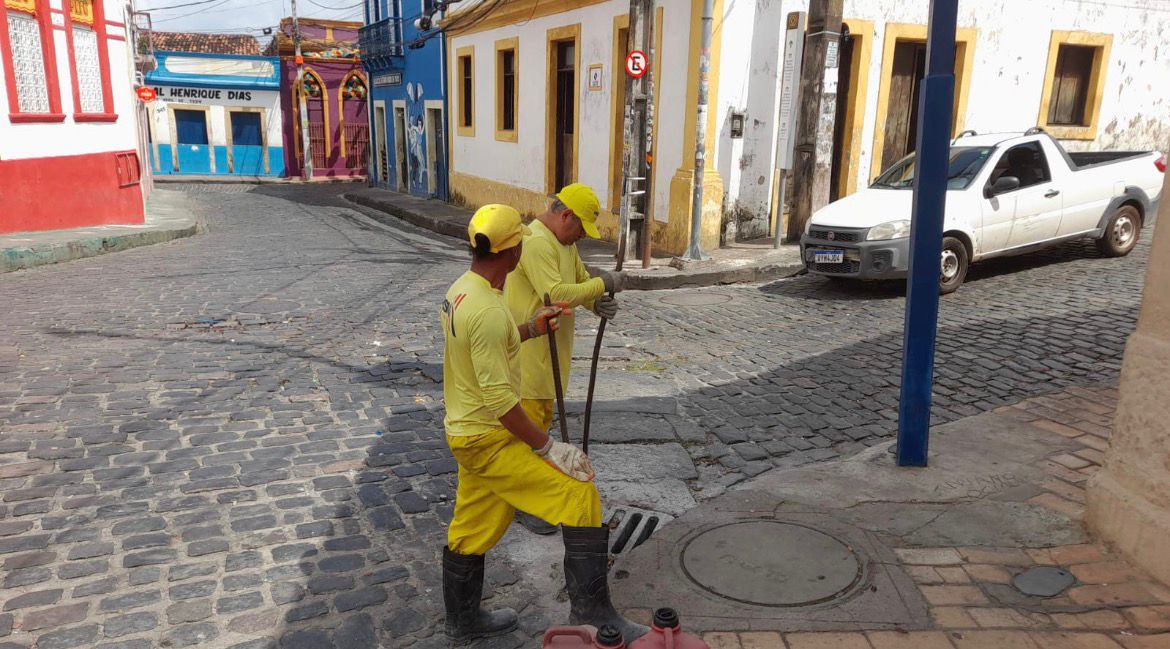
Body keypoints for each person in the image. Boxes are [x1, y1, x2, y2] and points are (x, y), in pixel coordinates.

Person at [440, 204, 646, 644]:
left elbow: (484, 346)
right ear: (514, 251)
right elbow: (499, 400)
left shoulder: (462, 291)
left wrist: (531, 329)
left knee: (471, 523)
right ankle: (596, 618)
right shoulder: (489, 311)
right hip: (488, 438)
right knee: (579, 494)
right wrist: (549, 447)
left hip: (464, 432)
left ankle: (462, 621)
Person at [504, 184, 624, 536]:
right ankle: (525, 502)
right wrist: (603, 285)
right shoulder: (537, 241)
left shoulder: (563, 243)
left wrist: (594, 300)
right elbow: (555, 295)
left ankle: (527, 496)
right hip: (531, 358)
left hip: (550, 357)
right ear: (566, 215)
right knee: (530, 438)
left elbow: (579, 283)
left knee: (538, 430)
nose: (580, 239)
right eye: (579, 230)